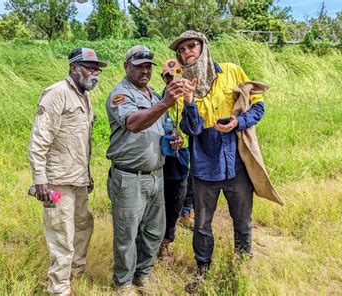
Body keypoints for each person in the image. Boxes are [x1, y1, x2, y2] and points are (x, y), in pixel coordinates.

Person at [169, 31, 266, 292]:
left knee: (243, 222)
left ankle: (242, 267)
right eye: (182, 50)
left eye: (192, 46)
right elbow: (190, 129)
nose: (187, 52)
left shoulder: (232, 72)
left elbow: (258, 107)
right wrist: (188, 100)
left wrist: (238, 121)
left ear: (204, 47)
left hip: (237, 164)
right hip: (203, 168)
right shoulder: (182, 85)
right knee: (201, 225)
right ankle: (202, 271)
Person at [105, 46, 194, 294]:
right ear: (126, 67)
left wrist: (174, 136)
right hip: (129, 177)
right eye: (139, 66)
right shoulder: (120, 95)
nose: (145, 70)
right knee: (127, 236)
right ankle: (123, 283)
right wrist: (166, 102)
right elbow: (133, 123)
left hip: (156, 175)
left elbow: (164, 126)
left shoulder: (153, 95)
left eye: (148, 66)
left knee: (154, 232)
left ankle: (142, 275)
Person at [28, 48, 106, 295]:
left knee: (83, 224)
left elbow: (81, 142)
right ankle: (59, 288)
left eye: (97, 69)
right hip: (56, 182)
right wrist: (40, 180)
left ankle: (76, 272)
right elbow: (39, 141)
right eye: (89, 67)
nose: (95, 73)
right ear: (73, 67)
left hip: (78, 179)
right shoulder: (57, 94)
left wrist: (88, 175)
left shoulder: (84, 96)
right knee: (62, 231)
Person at [158, 59, 191, 261]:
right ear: (164, 79)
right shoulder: (160, 98)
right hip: (163, 157)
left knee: (176, 201)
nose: (174, 80)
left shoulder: (192, 98)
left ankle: (166, 243)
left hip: (183, 158)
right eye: (169, 76)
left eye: (178, 75)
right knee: (159, 202)